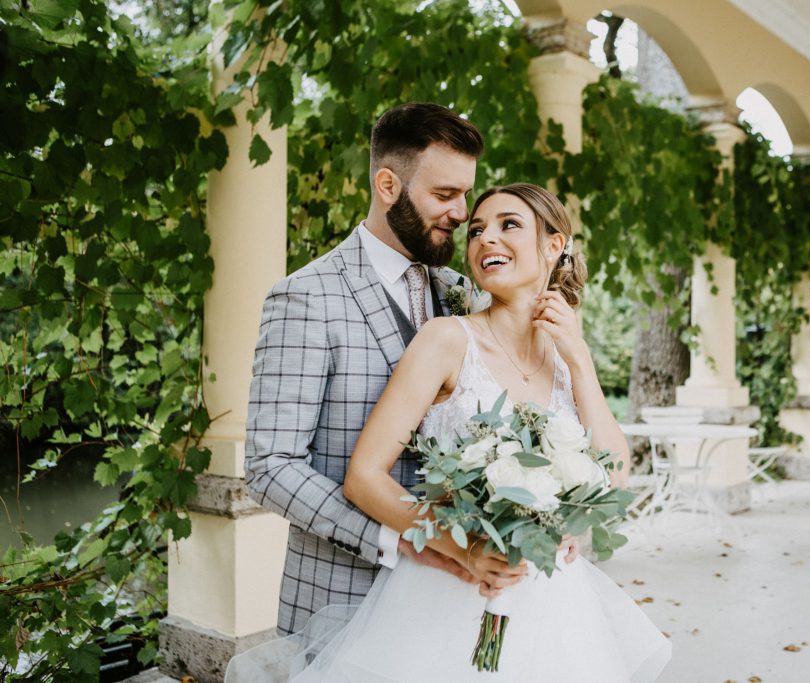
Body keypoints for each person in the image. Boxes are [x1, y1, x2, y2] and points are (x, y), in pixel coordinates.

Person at [230, 184, 671, 681]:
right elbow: (365, 475)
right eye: (477, 230)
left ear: (555, 245)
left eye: (509, 225)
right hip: (445, 596)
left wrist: (581, 362)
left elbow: (612, 479)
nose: (485, 239)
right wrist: (464, 549)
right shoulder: (446, 339)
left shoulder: (568, 357)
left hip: (552, 607)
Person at [244, 102, 502, 637]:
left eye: (465, 193)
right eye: (444, 194)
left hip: (452, 604)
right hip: (343, 598)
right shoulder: (306, 297)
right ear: (388, 185)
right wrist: (400, 538)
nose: (462, 213)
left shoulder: (462, 294)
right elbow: (270, 466)